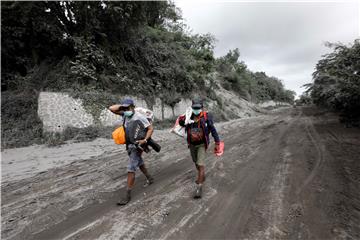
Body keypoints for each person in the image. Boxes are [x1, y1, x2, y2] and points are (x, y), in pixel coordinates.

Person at [109, 98, 154, 205]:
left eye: (128, 108)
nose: (126, 110)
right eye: (125, 108)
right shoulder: (124, 114)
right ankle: (150, 178)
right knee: (139, 162)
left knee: (131, 167)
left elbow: (150, 128)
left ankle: (127, 195)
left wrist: (145, 140)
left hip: (138, 145)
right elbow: (111, 108)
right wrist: (123, 107)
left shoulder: (139, 116)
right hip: (129, 144)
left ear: (133, 107)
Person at [178, 98, 221, 199]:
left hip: (202, 144)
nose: (196, 110)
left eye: (198, 108)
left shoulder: (206, 117)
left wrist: (217, 142)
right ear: (192, 107)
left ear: (202, 107)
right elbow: (180, 123)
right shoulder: (189, 116)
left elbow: (213, 130)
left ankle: (199, 188)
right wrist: (184, 117)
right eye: (194, 108)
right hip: (192, 144)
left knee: (201, 165)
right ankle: (201, 176)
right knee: (196, 163)